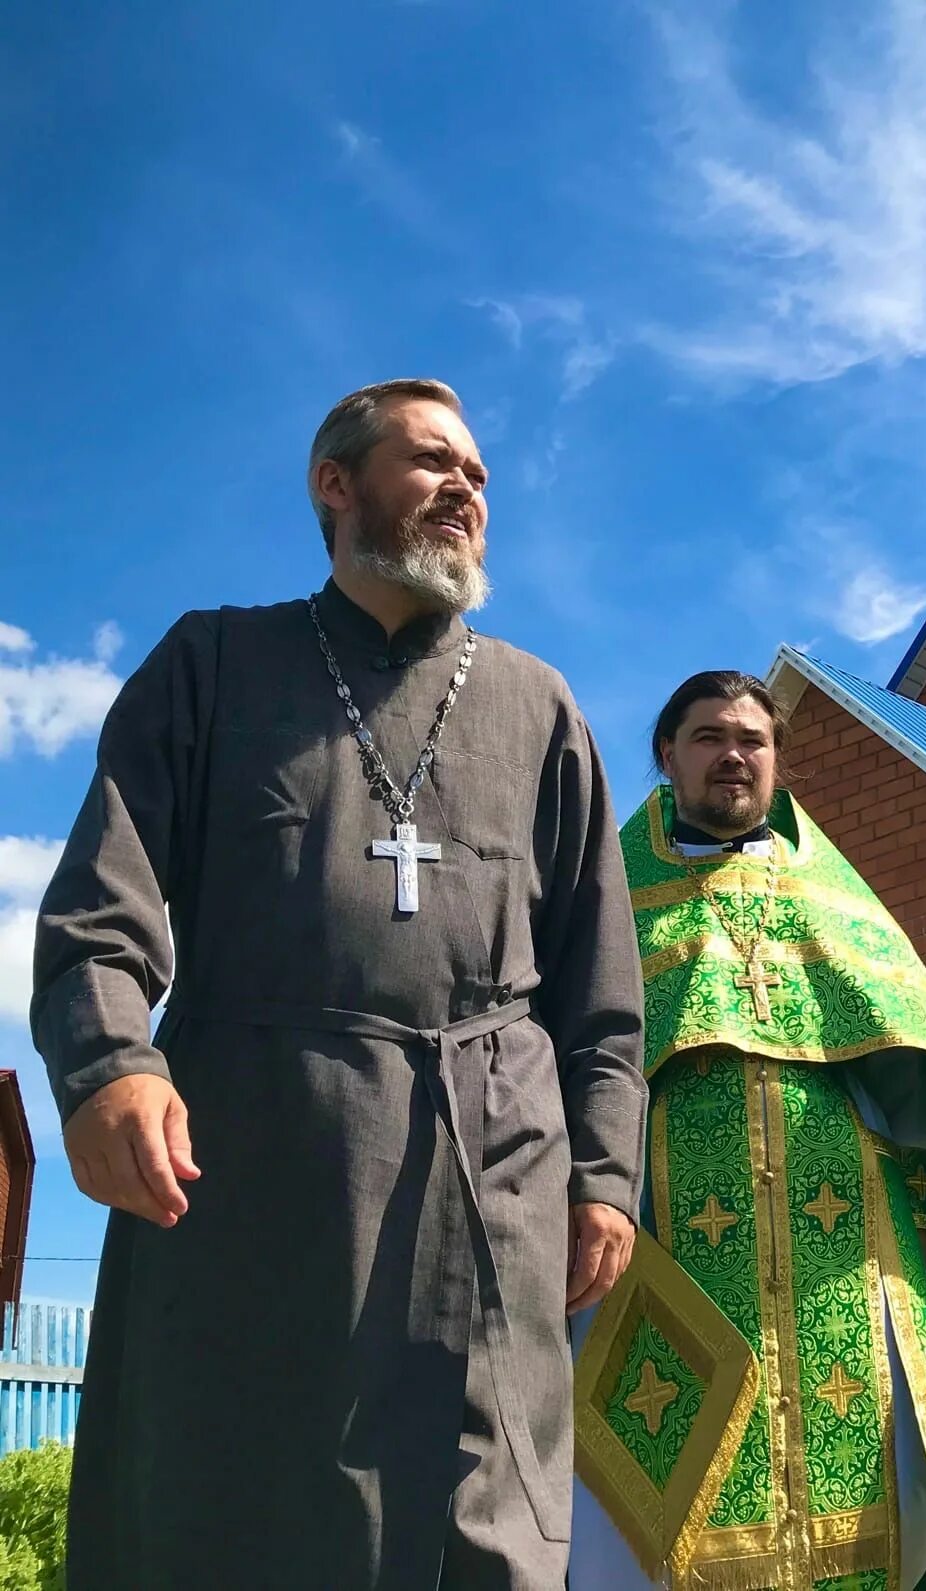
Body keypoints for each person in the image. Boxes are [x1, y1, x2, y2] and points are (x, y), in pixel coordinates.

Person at [33, 378, 648, 1589]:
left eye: (479, 473)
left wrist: (606, 1176)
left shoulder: (539, 705)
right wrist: (110, 1063)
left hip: (494, 1174)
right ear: (337, 483)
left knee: (481, 1519)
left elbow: (600, 990)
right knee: (229, 1505)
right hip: (255, 1164)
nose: (468, 488)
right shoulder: (213, 662)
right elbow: (103, 906)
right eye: (433, 462)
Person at [569, 671, 926, 1591]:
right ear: (666, 755)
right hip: (663, 1244)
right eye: (709, 736)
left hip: (844, 1247)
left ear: (778, 764)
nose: (733, 754)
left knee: (885, 1486)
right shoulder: (610, 894)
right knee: (642, 1510)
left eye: (753, 739)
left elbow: (916, 1070)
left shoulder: (833, 895)